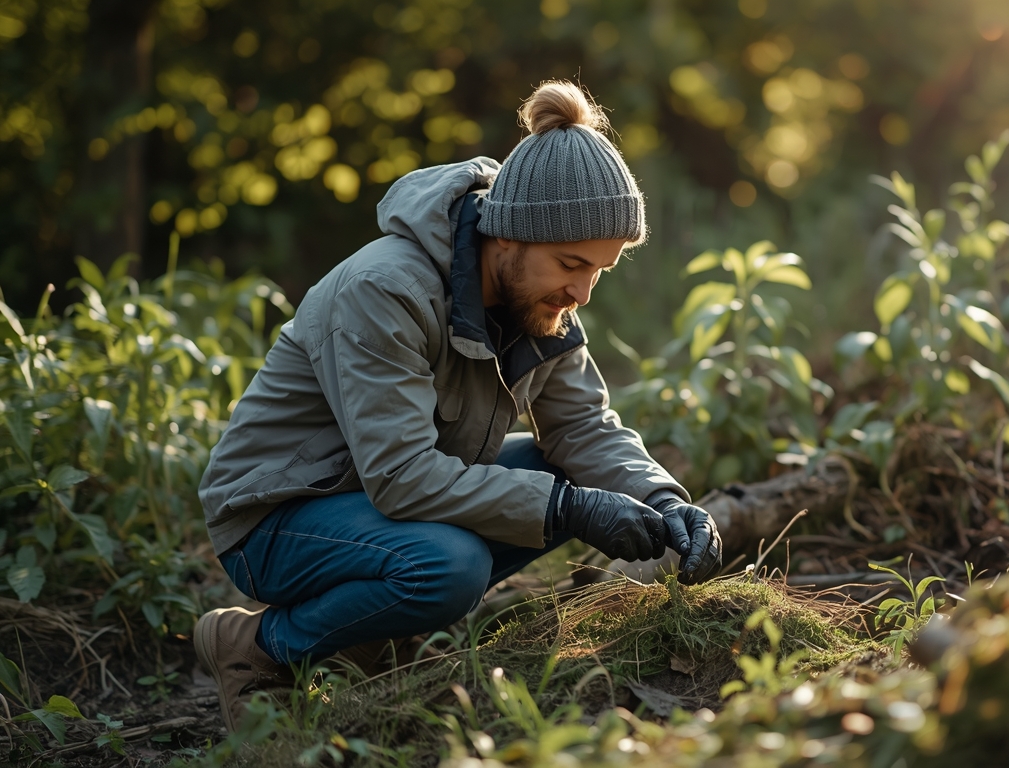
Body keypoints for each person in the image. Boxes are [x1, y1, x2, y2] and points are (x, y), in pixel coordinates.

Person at [192, 80, 722, 733]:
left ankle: (367, 640)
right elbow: (401, 475)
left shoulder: (539, 298)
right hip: (275, 517)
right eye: (571, 263)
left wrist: (665, 500)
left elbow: (582, 426)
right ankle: (255, 646)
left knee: (564, 477)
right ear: (510, 235)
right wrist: (570, 509)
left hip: (381, 506)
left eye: (600, 271)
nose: (582, 290)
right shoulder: (386, 289)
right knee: (452, 565)